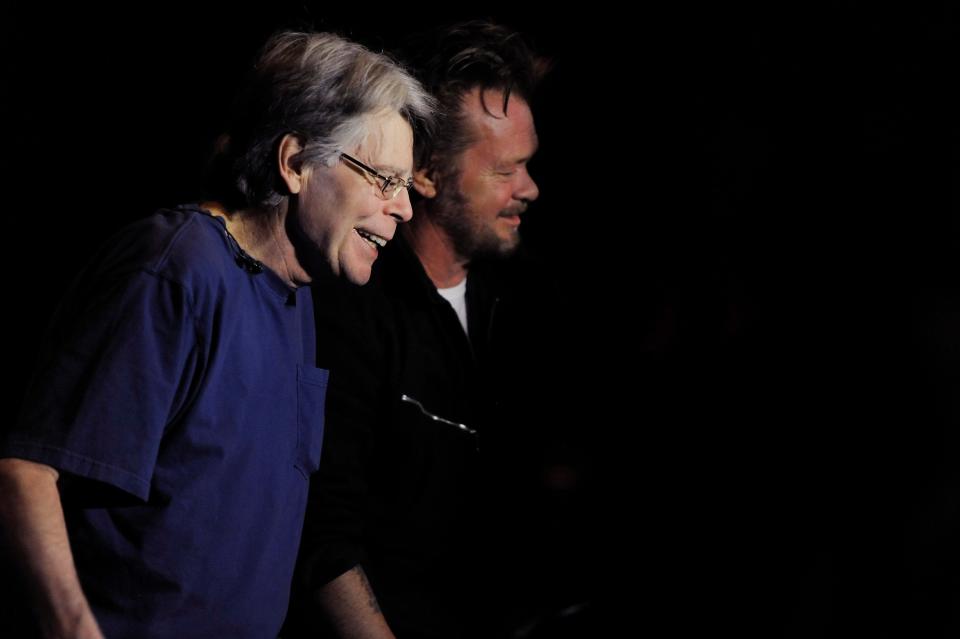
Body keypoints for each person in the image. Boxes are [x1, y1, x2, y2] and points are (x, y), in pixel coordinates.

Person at [0, 30, 432, 639]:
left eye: (407, 186)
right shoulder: (178, 268)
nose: (404, 208)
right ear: (296, 163)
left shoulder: (299, 295)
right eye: (384, 180)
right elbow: (28, 474)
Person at [287, 21, 587, 639]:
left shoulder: (530, 302)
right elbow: (322, 537)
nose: (529, 189)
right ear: (425, 175)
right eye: (505, 170)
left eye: (528, 165)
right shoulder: (356, 309)